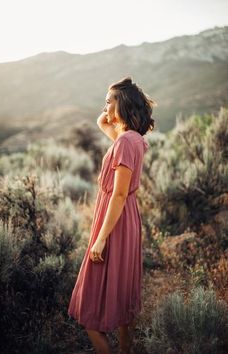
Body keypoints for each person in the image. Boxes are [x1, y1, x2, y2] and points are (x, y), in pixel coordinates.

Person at [68, 77, 156, 354]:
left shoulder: (124, 143)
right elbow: (102, 122)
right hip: (125, 217)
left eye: (109, 101)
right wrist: (110, 106)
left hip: (114, 219)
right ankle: (125, 349)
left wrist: (101, 239)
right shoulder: (132, 139)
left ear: (123, 104)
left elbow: (118, 194)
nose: (103, 107)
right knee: (120, 285)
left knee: (89, 309)